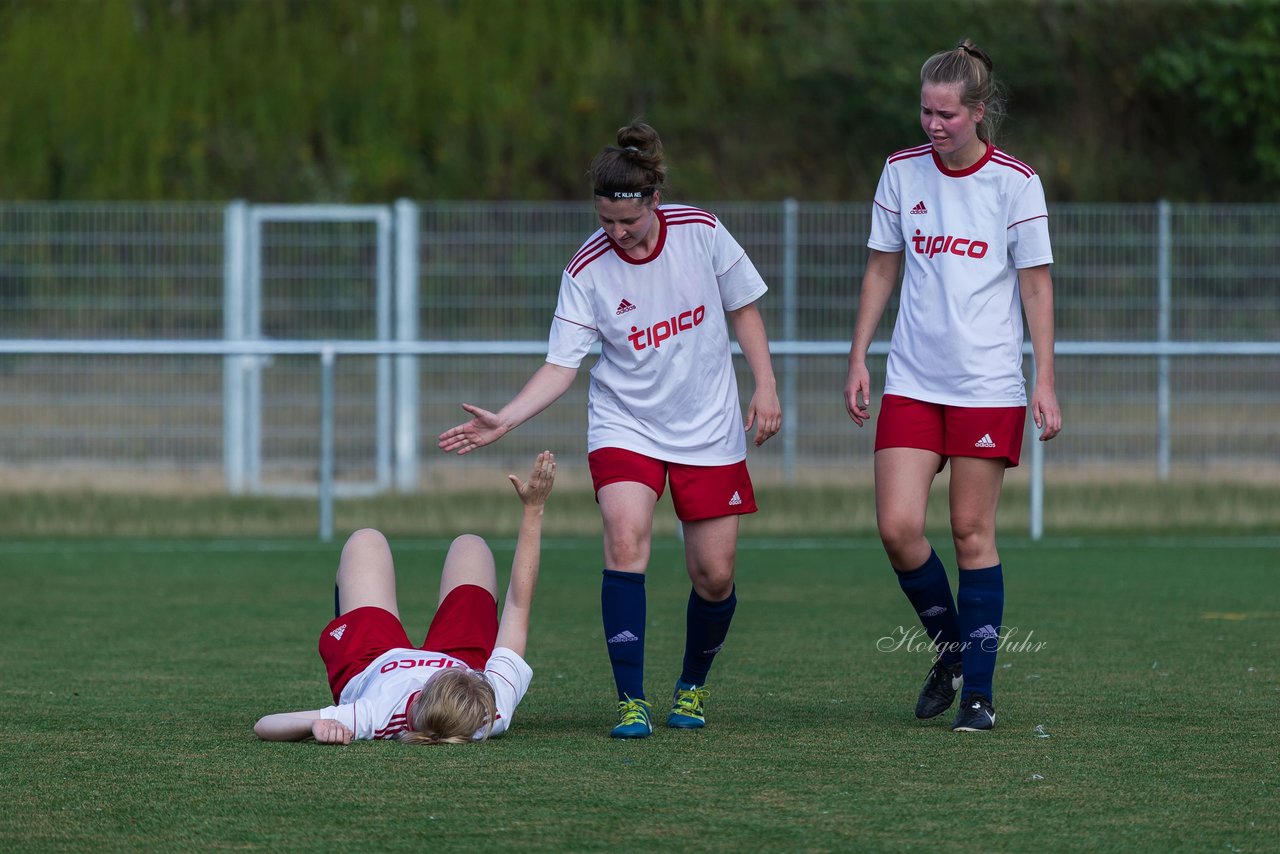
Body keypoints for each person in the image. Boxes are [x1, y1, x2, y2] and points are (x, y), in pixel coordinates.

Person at [439, 121, 781, 739]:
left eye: (629, 222)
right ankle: (630, 701)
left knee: (716, 574)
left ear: (653, 201)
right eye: (606, 222)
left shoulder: (701, 232)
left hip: (708, 426)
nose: (617, 234)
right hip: (626, 424)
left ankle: (691, 687)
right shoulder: (587, 269)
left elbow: (744, 308)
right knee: (626, 541)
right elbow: (561, 366)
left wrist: (766, 384)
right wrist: (506, 419)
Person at [844, 40, 1062, 732]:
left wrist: (1045, 381)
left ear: (977, 112)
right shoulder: (901, 173)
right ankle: (951, 653)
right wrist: (857, 358)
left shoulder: (1015, 183)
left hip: (987, 386)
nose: (932, 125)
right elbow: (881, 269)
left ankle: (979, 694)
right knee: (898, 527)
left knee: (971, 532)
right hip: (912, 379)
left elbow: (1036, 286)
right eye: (925, 111)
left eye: (945, 114)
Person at [253, 451, 556, 745]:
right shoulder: (492, 707)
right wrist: (534, 510)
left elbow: (266, 724)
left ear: (419, 699)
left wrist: (315, 725)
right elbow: (519, 603)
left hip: (372, 663)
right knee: (471, 546)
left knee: (366, 540)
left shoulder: (379, 712)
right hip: (461, 657)